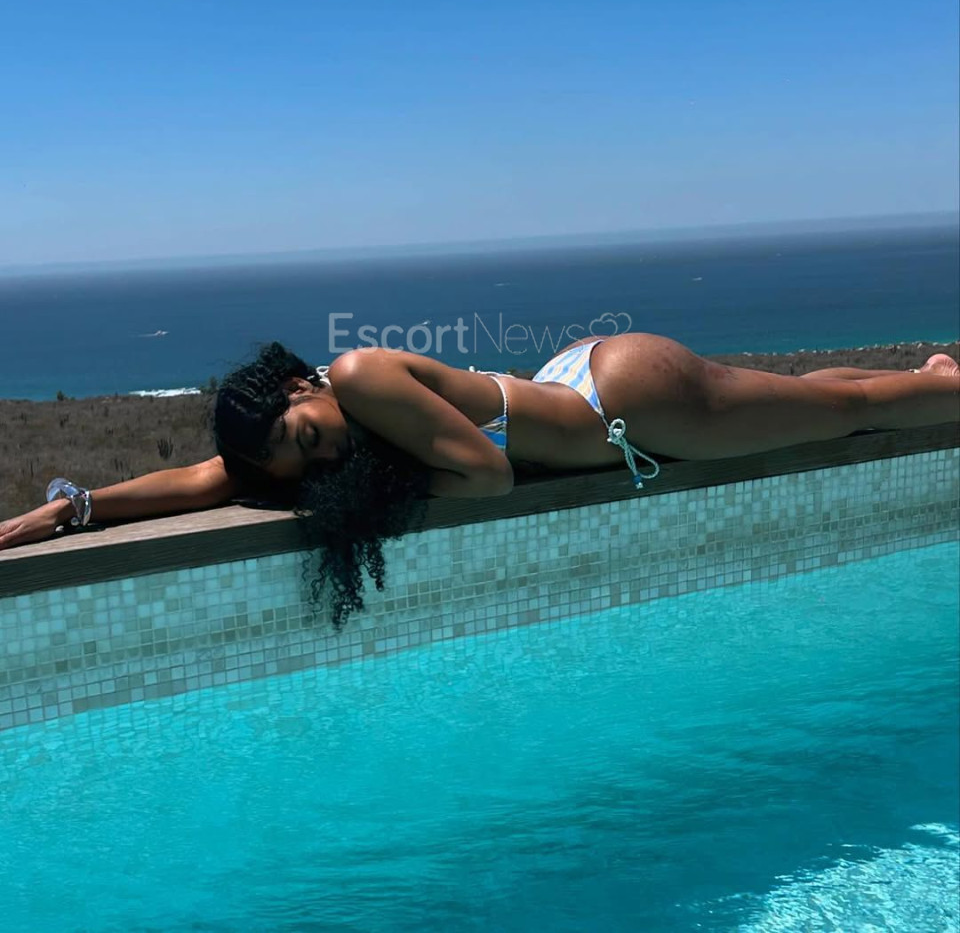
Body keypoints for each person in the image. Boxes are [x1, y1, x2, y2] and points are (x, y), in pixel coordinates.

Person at [1, 334, 958, 623]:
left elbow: (487, 476)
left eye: (307, 436)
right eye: (306, 463)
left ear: (301, 385)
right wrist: (72, 510)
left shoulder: (357, 378)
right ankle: (935, 377)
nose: (327, 460)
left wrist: (358, 496)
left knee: (843, 411)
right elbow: (206, 480)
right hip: (589, 387)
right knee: (812, 398)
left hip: (626, 406)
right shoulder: (341, 411)